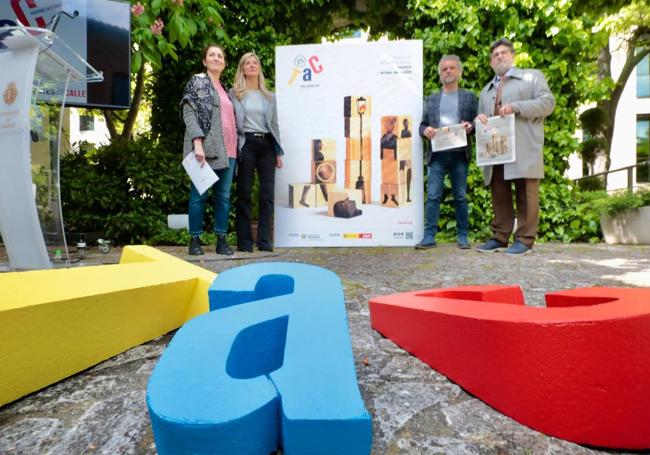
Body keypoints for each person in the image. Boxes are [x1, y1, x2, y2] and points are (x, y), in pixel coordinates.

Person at [475, 39, 555, 255]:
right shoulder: (485, 91)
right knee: (498, 191)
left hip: (523, 145)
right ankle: (500, 237)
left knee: (526, 192)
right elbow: (483, 119)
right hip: (496, 148)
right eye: (495, 55)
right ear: (491, 62)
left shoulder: (532, 77)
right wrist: (480, 117)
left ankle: (525, 240)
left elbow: (548, 104)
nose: (499, 56)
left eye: (503, 53)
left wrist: (517, 107)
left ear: (513, 56)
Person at [415, 55, 477, 250]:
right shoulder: (431, 99)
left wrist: (471, 126)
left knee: (460, 195)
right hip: (437, 154)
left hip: (459, 153)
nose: (448, 71)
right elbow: (422, 125)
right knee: (433, 195)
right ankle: (429, 236)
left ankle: (463, 235)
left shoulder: (469, 97)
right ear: (440, 75)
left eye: (451, 68)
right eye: (444, 69)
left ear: (459, 72)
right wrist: (425, 131)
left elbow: (478, 122)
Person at [181, 44, 237, 256]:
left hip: (229, 150)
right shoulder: (197, 82)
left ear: (224, 63)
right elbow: (188, 112)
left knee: (223, 197)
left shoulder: (226, 90)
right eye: (211, 55)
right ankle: (194, 239)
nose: (216, 58)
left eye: (220, 56)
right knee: (199, 195)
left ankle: (221, 240)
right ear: (204, 61)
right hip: (204, 149)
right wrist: (197, 142)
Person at [231, 52, 284, 252]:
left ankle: (264, 241)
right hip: (247, 144)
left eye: (255, 62)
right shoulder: (234, 94)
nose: (252, 65)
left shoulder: (270, 97)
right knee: (244, 192)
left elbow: (275, 125)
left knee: (267, 194)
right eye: (247, 63)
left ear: (259, 68)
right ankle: (244, 243)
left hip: (268, 146)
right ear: (242, 69)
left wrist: (278, 152)